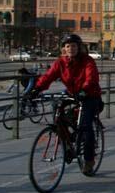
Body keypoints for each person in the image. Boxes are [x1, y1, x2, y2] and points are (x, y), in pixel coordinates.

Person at [29, 34, 101, 175]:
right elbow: (48, 76)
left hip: (90, 95)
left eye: (73, 46)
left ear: (79, 47)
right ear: (64, 49)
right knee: (58, 114)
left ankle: (89, 159)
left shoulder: (87, 61)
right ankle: (67, 144)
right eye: (68, 46)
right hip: (72, 93)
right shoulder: (60, 63)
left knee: (86, 126)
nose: (71, 49)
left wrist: (84, 90)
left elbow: (91, 78)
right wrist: (36, 89)